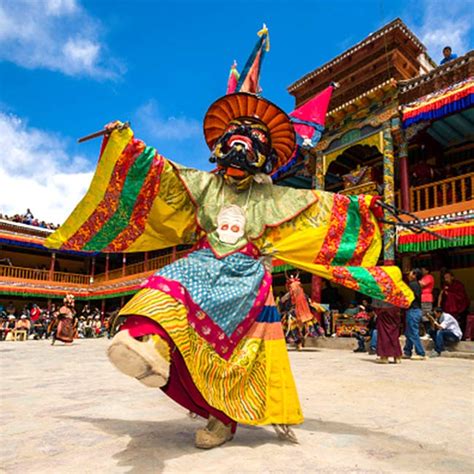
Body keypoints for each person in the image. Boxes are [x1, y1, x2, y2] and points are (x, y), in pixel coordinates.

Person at [45, 28, 413, 449]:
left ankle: (222, 417)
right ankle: (150, 348)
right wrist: (128, 143)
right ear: (219, 147)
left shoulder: (276, 196)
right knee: (161, 287)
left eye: (252, 141)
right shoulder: (202, 185)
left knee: (232, 355)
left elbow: (321, 208)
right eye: (233, 139)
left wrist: (368, 208)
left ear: (264, 156)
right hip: (204, 263)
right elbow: (163, 174)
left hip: (245, 277)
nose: (240, 147)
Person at [403, 269, 426, 360]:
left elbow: (412, 297)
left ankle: (420, 352)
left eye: (411, 273)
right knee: (409, 332)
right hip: (413, 310)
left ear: (414, 275)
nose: (409, 274)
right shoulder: (416, 285)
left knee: (413, 332)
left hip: (413, 310)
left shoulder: (413, 284)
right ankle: (407, 351)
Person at [439, 271, 469, 336]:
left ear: (452, 277)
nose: (446, 279)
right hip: (448, 308)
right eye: (445, 278)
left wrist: (449, 294)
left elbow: (461, 296)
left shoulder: (459, 285)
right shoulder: (445, 286)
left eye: (447, 277)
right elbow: (442, 297)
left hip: (459, 307)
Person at [420, 267, 435, 337]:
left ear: (427, 270)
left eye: (423, 269)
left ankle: (429, 332)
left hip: (427, 298)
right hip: (422, 298)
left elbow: (422, 284)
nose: (422, 271)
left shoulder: (429, 277)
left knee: (427, 315)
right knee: (422, 316)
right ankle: (425, 332)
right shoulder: (423, 277)